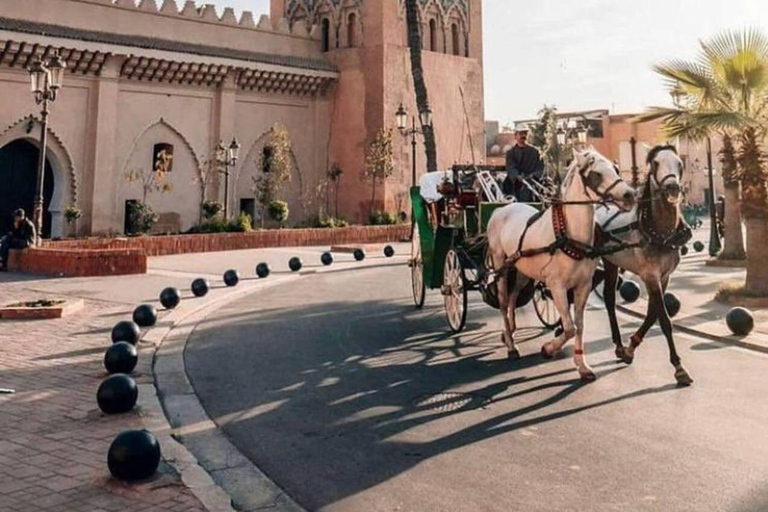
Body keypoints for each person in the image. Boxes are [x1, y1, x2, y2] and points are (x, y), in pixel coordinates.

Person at [503, 127, 545, 202]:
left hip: (532, 184)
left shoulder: (535, 152)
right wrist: (517, 176)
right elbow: (510, 167)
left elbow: (540, 168)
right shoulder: (511, 153)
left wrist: (532, 176)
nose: (523, 136)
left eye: (525, 133)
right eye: (521, 133)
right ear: (515, 136)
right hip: (514, 185)